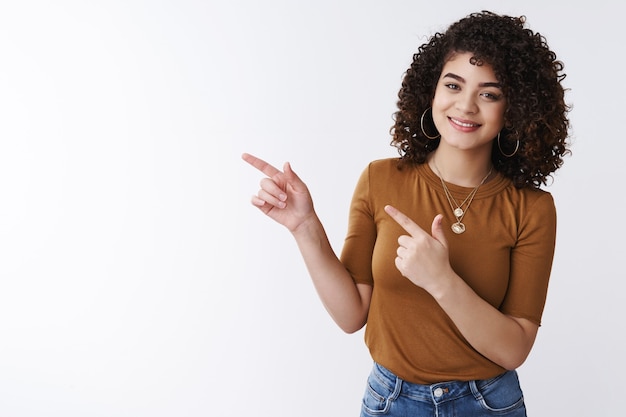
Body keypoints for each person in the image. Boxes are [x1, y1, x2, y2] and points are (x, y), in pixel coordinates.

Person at [242, 10, 570, 417]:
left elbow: (515, 346)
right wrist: (305, 226)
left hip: (487, 404)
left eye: (489, 93)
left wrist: (441, 281)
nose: (466, 105)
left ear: (514, 109)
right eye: (453, 85)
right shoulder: (381, 180)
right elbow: (351, 315)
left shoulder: (532, 208)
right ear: (430, 91)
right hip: (390, 401)